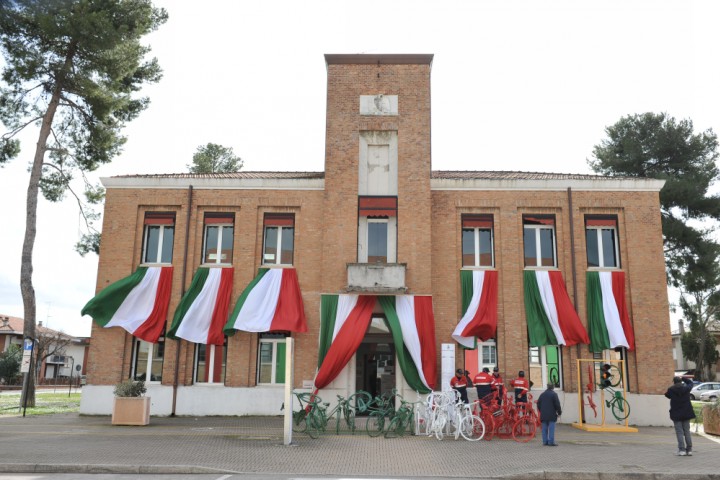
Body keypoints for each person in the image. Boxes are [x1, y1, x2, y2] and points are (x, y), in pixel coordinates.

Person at [664, 376, 695, 456]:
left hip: (676, 413)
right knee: (687, 431)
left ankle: (682, 450)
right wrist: (684, 378)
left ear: (674, 382)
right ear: (681, 381)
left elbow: (667, 395)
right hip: (686, 413)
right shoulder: (686, 388)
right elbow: (691, 383)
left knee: (679, 432)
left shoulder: (671, 389)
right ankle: (689, 450)